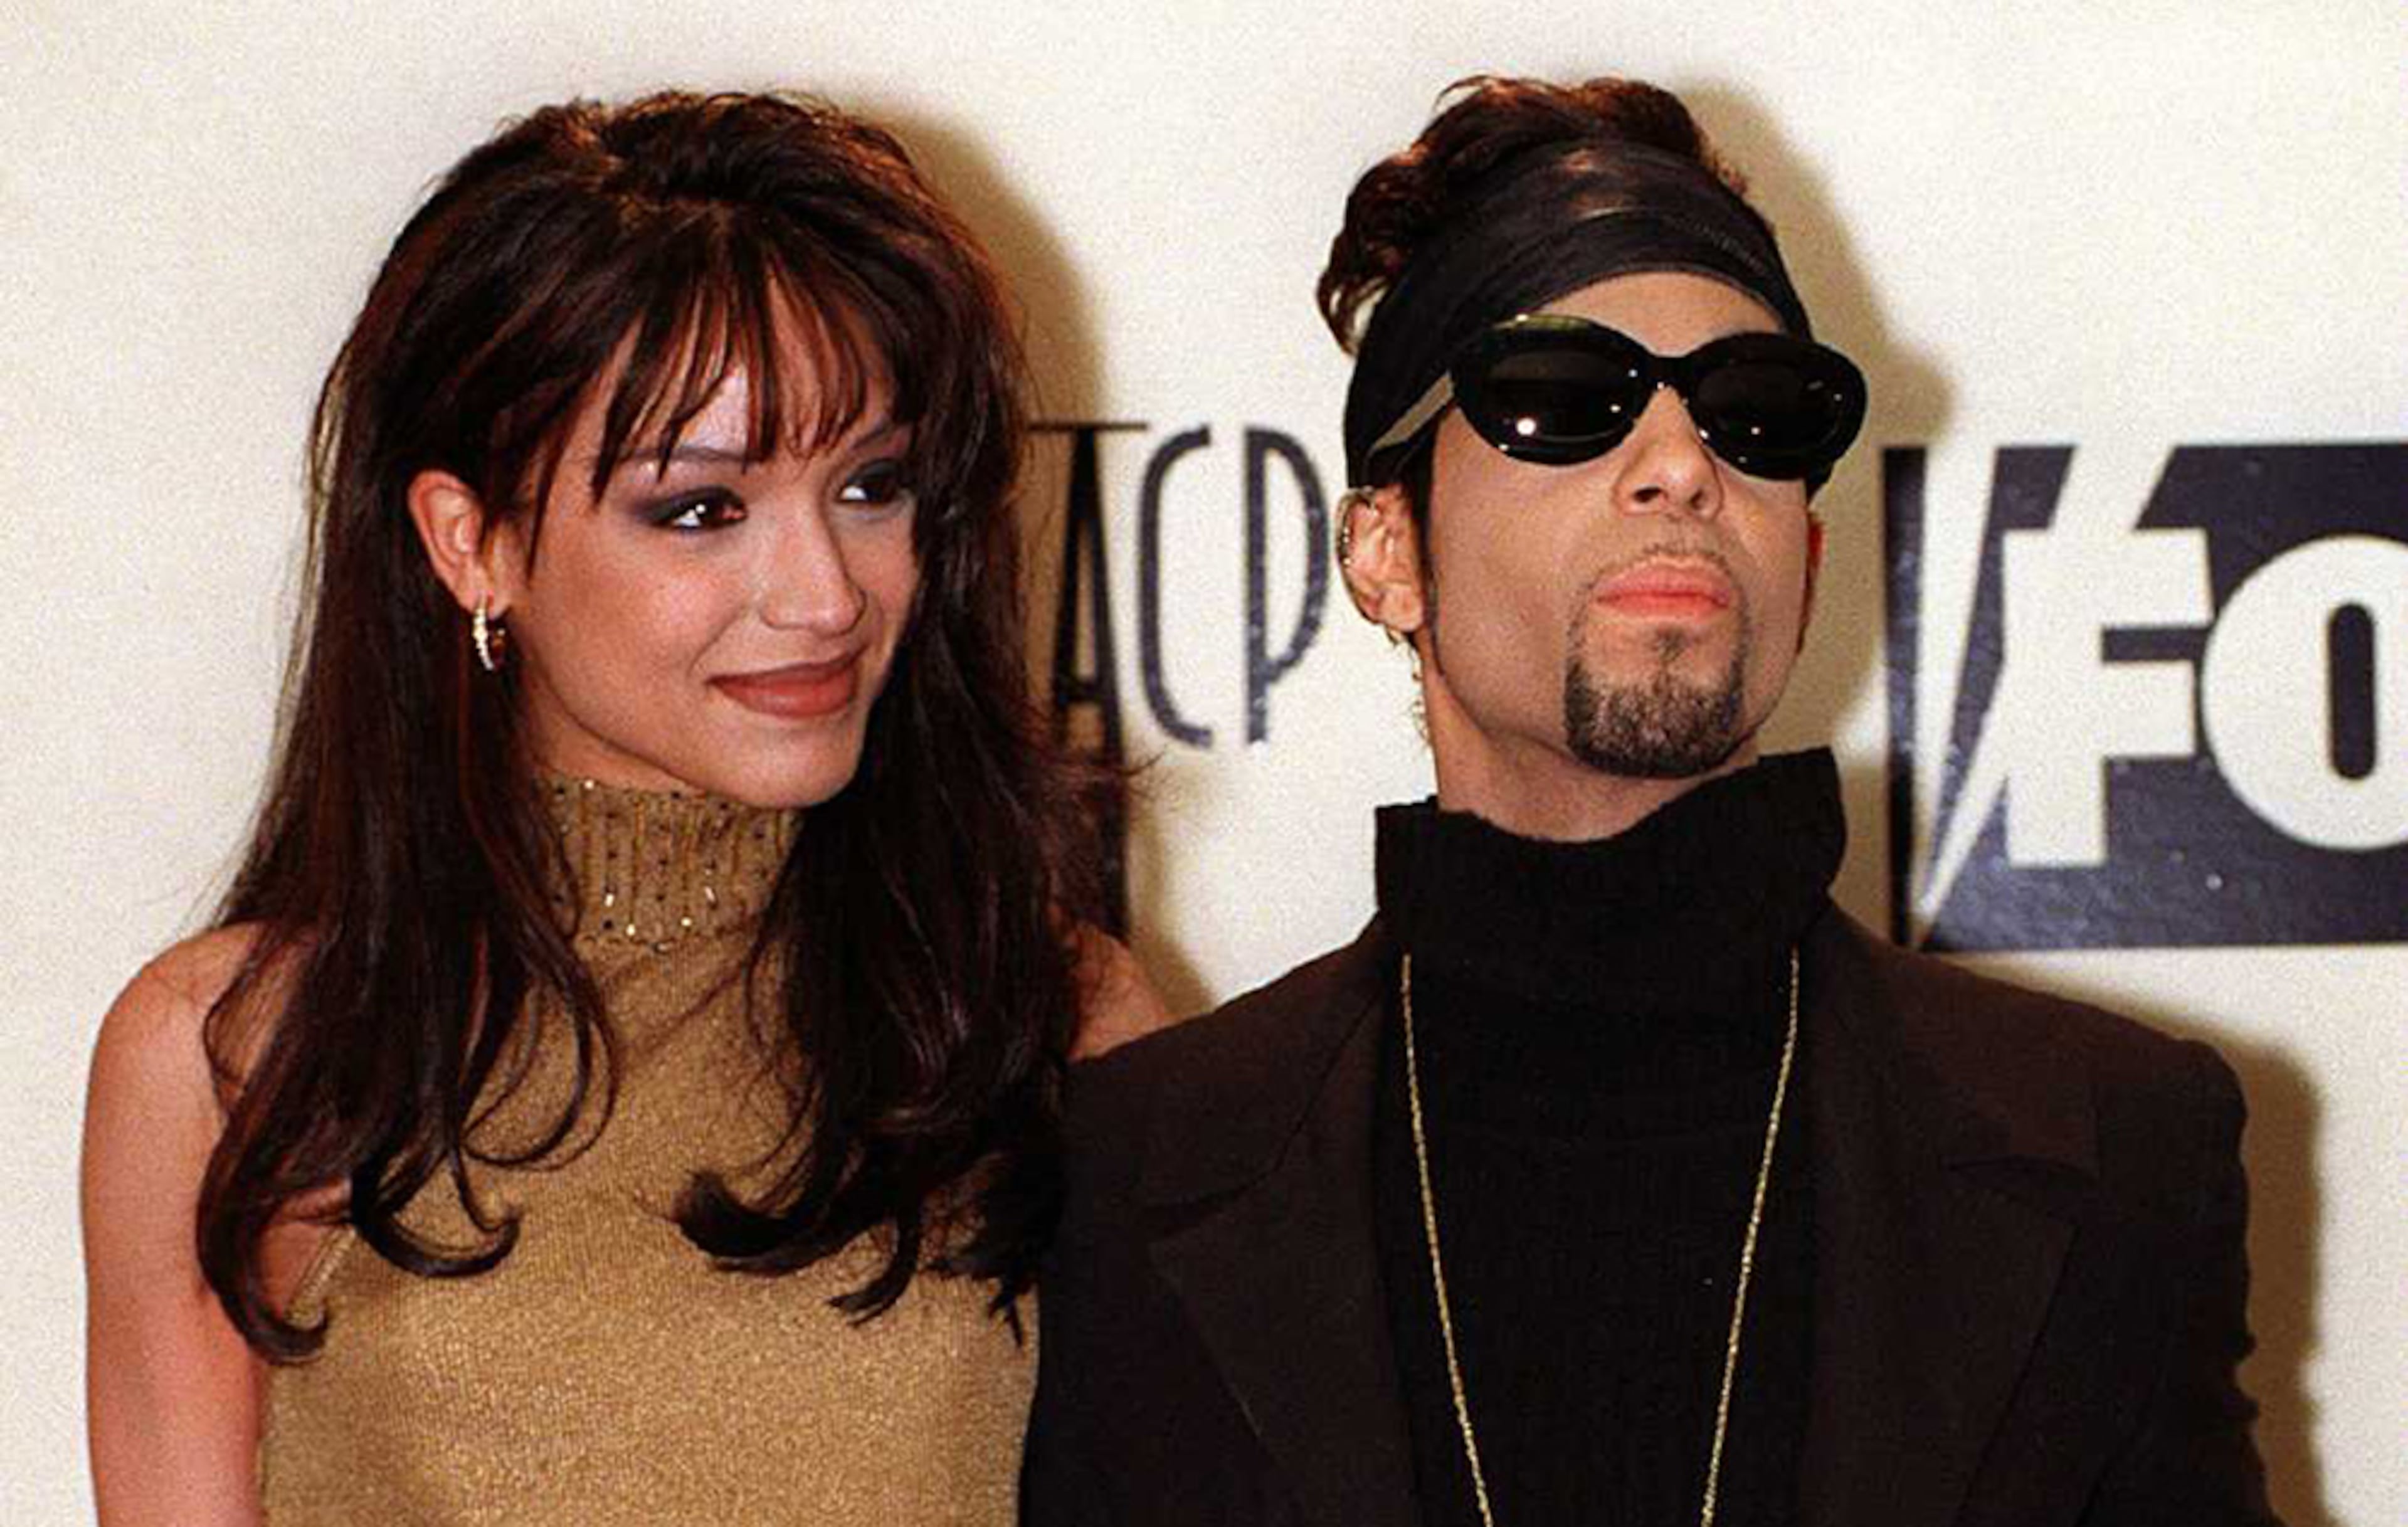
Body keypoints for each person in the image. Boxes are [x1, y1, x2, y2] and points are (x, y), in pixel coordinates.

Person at [1023, 75, 2278, 1526]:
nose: (1683, 466)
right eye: (1562, 397)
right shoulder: (1141, 1163)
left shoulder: (2120, 1147)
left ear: (1805, 556)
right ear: (1385, 551)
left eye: (1755, 414)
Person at [80, 89, 1164, 1526]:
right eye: (703, 508)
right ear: (473, 544)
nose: (826, 595)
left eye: (872, 485)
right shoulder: (237, 1057)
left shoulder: (1050, 1019)